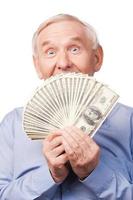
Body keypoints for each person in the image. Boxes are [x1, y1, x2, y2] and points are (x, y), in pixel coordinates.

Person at [0, 14, 133, 200]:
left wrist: (95, 173)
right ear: (37, 65)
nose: (63, 63)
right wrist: (50, 174)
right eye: (50, 52)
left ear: (97, 58)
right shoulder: (12, 125)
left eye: (74, 49)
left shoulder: (129, 122)